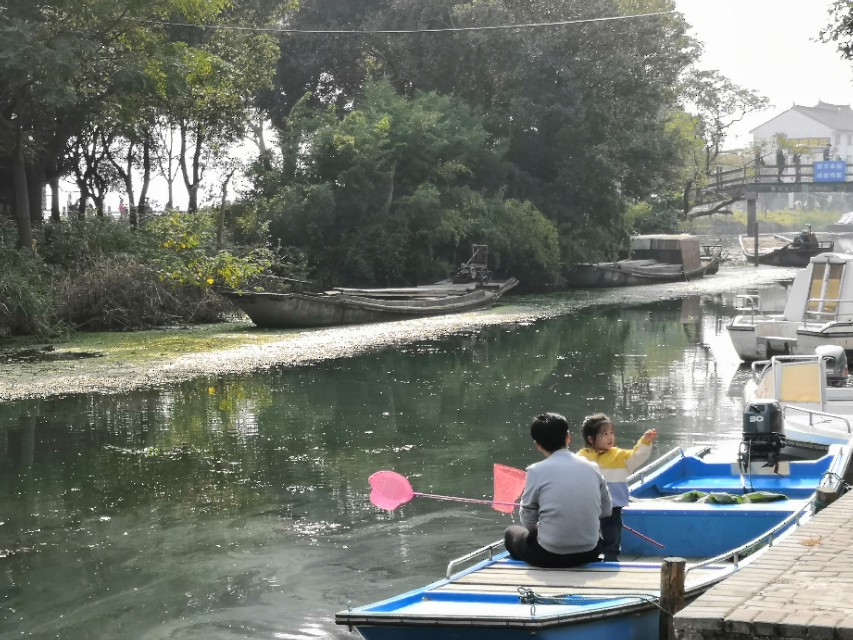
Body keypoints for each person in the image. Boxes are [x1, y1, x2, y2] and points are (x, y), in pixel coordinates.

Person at [504, 412, 612, 568]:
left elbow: (528, 518)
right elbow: (606, 510)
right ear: (568, 437)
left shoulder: (536, 471)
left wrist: (538, 530)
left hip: (549, 555)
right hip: (590, 551)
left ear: (538, 445)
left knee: (511, 533)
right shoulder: (592, 467)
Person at [577, 413, 657, 562]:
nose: (610, 437)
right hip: (590, 503)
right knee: (589, 530)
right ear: (591, 439)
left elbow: (636, 456)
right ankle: (591, 554)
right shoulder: (582, 457)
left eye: (611, 433)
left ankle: (611, 556)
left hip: (613, 504)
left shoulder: (619, 456)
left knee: (612, 530)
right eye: (605, 434)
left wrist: (644, 442)